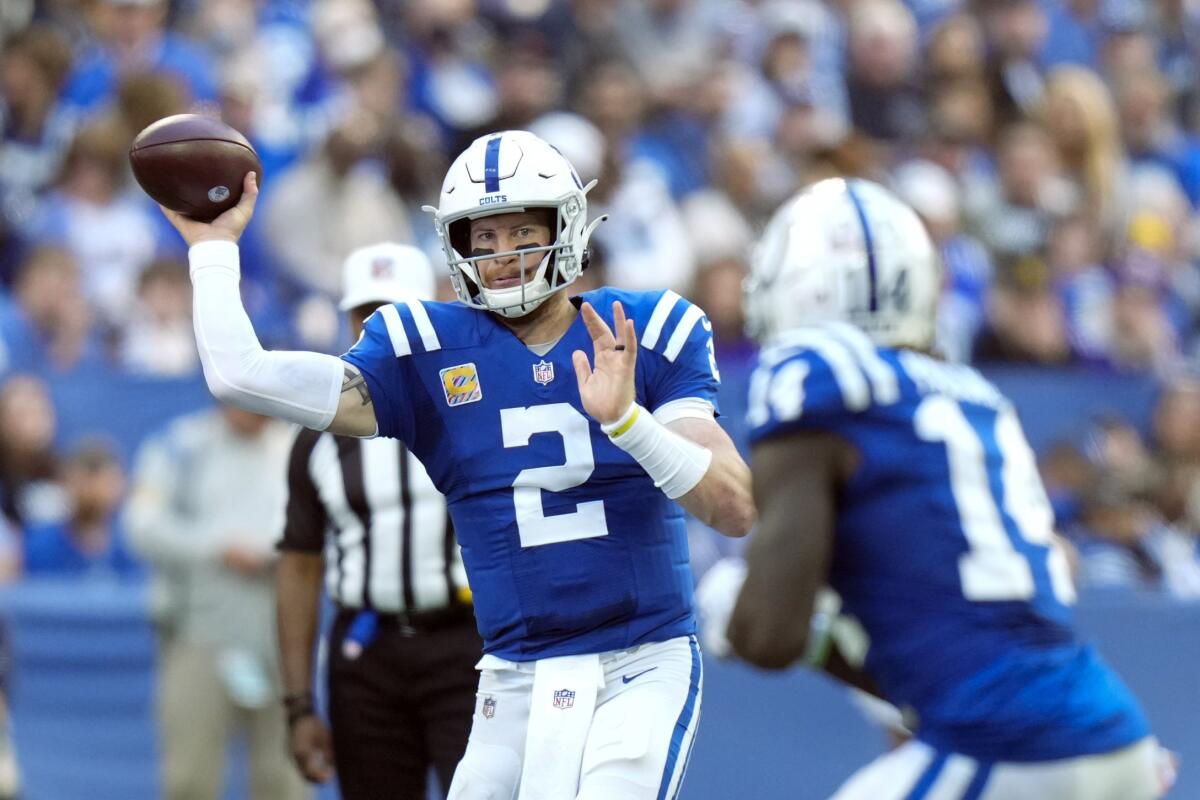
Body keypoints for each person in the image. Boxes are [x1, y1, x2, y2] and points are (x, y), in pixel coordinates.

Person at [157, 129, 754, 799]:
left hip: (641, 659)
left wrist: (626, 422)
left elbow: (732, 508)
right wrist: (211, 249)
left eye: (523, 232)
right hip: (515, 672)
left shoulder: (642, 329)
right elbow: (242, 376)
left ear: (568, 226)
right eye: (484, 238)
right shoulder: (425, 351)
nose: (503, 256)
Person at [728, 178, 1169, 799]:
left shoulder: (816, 379)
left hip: (1011, 743)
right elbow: (930, 669)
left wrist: (734, 611)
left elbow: (768, 637)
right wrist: (824, 639)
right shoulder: (973, 397)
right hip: (1105, 728)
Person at [277, 242, 480, 798]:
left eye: (394, 314)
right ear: (347, 321)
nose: (378, 330)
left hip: (467, 644)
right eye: (365, 315)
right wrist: (298, 704)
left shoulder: (471, 407)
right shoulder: (319, 435)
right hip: (367, 652)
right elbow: (298, 564)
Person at [124, 404, 307, 800]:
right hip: (200, 631)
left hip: (280, 634)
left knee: (285, 779)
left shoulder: (295, 445)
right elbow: (141, 525)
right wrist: (216, 547)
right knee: (191, 776)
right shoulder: (181, 445)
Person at [22, 439, 141, 580]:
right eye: (85, 482)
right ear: (67, 482)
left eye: (107, 483)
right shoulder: (41, 544)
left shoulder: (132, 547)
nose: (94, 492)